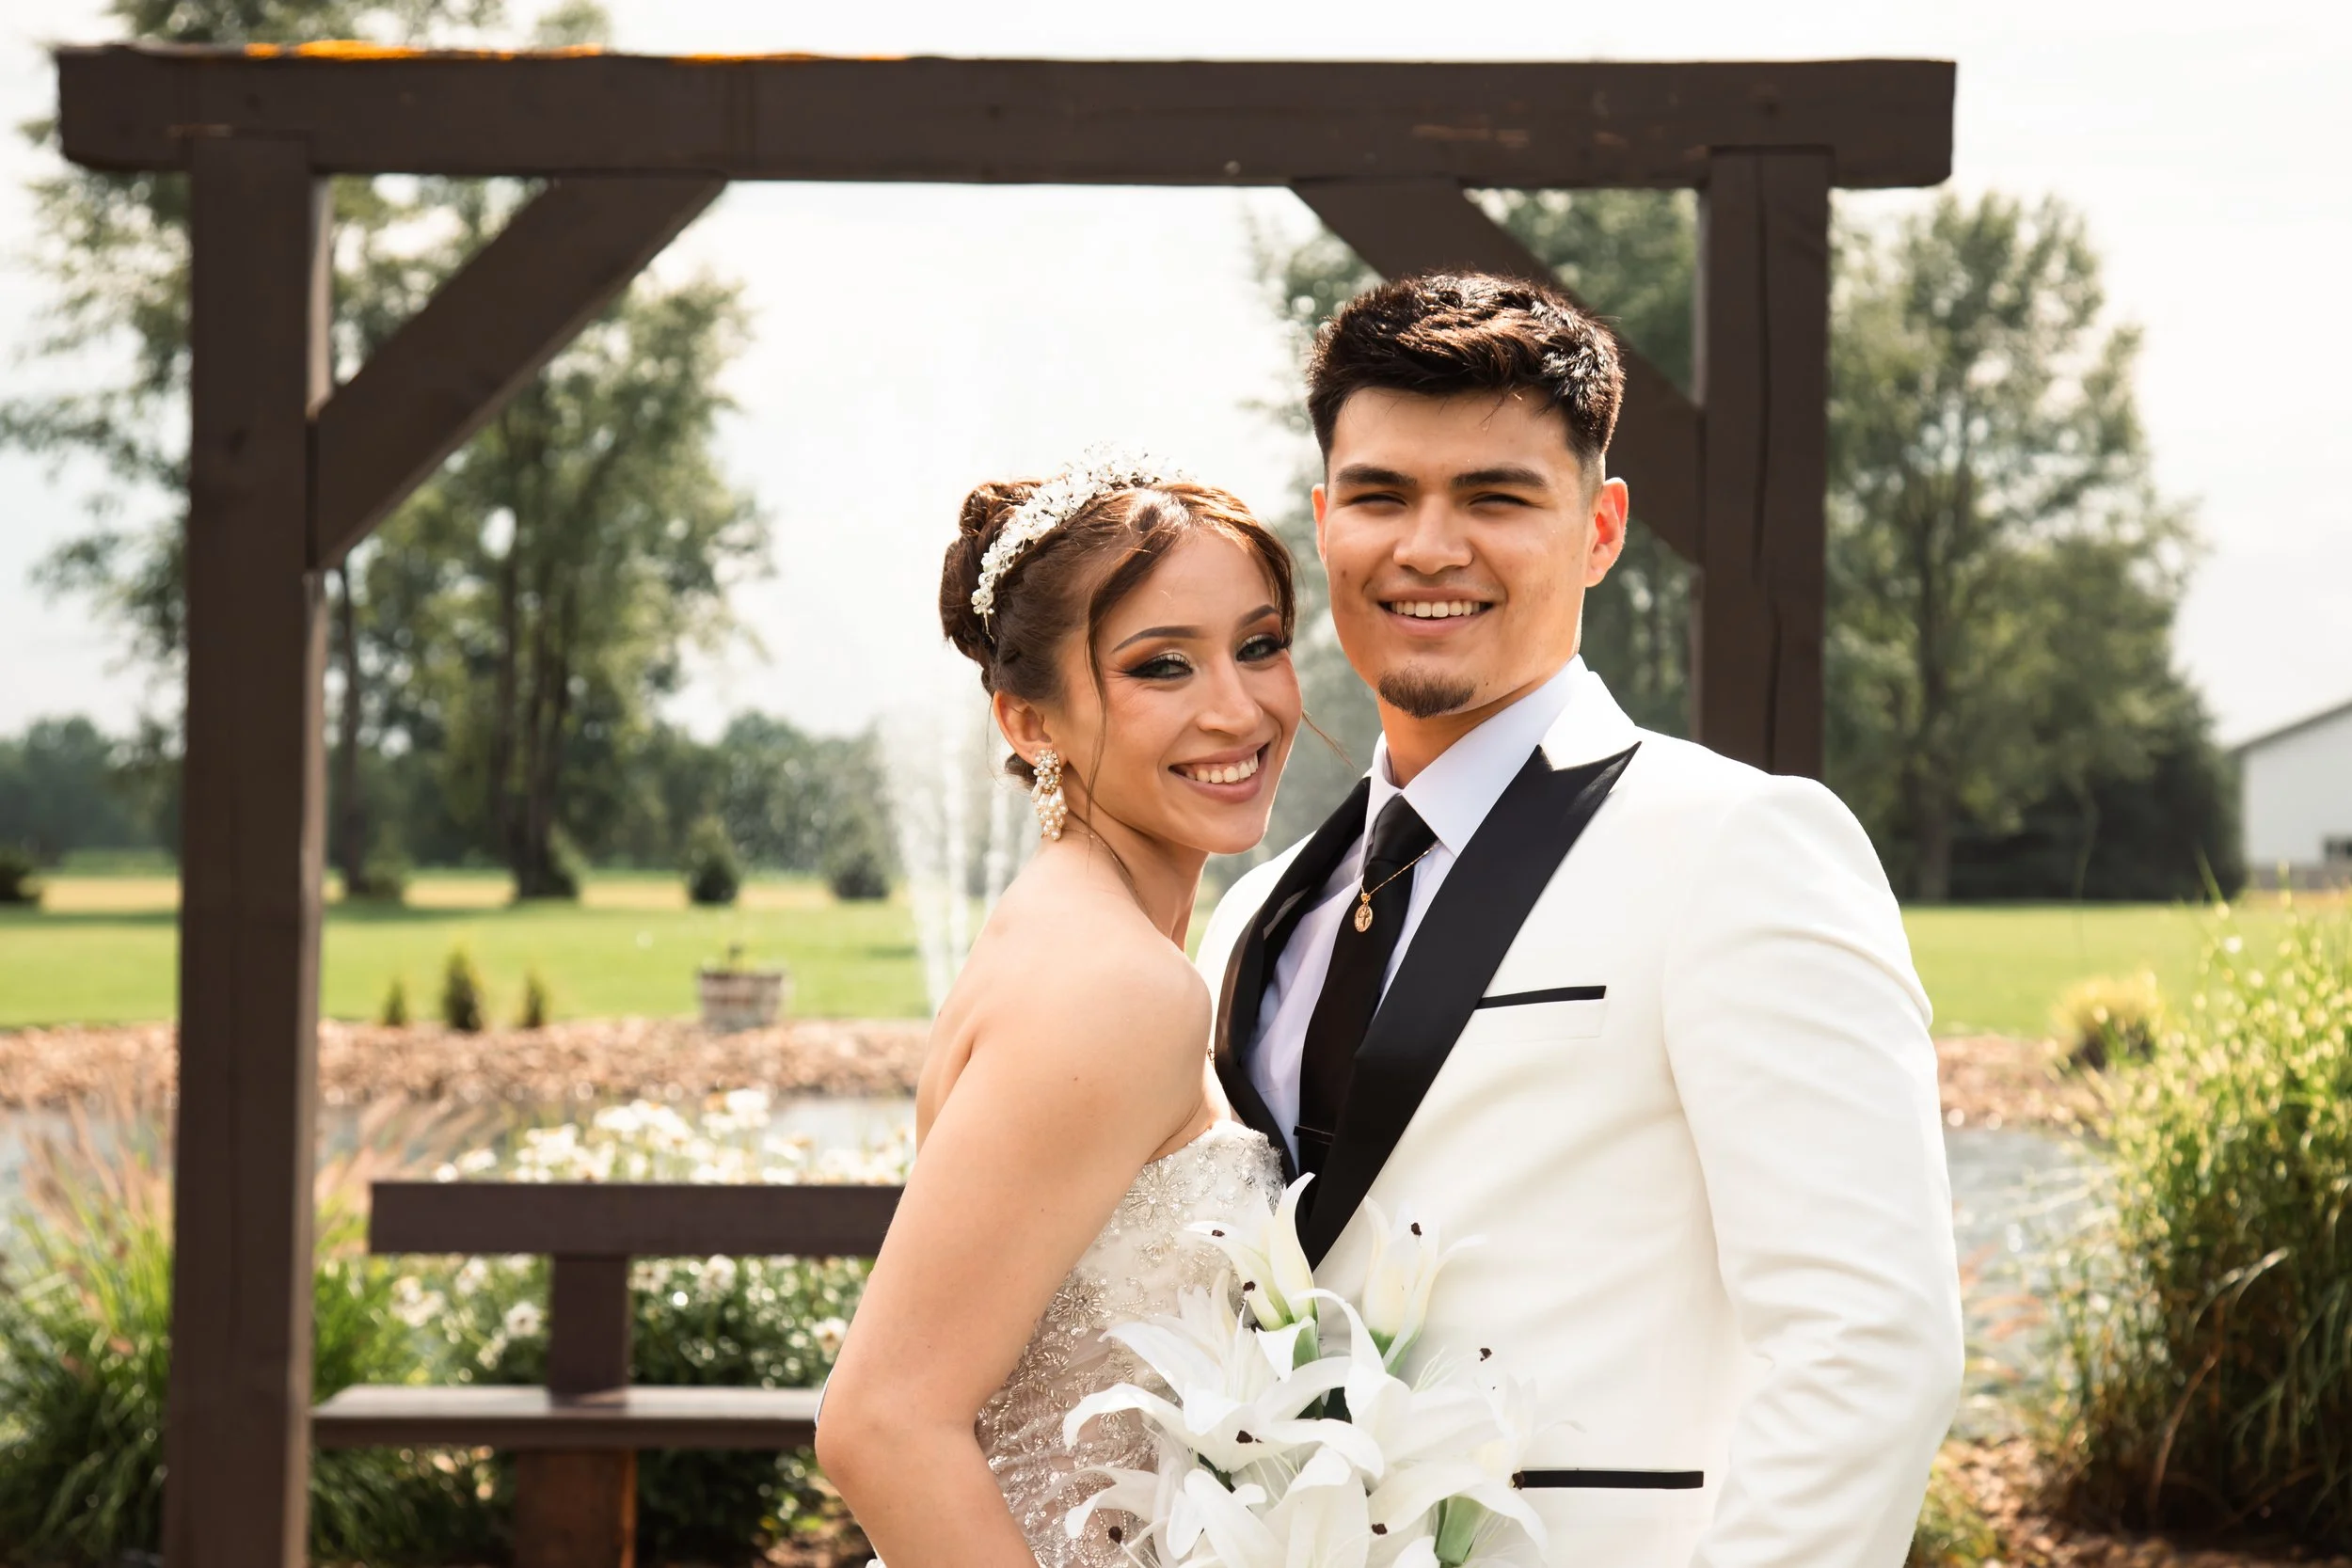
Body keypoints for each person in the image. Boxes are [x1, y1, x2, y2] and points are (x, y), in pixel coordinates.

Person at [1193, 271, 1966, 1567]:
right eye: (1382, 495)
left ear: (1601, 528)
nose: (1429, 546)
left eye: (1496, 497)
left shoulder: (1742, 845)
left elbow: (1871, 1343)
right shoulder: (1265, 908)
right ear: (1325, 523)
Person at [817, 454, 1302, 1566]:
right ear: (1031, 721)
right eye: (1161, 666)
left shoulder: (1064, 932)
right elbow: (880, 1425)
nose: (1237, 706)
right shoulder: (1116, 987)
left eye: (1260, 644)